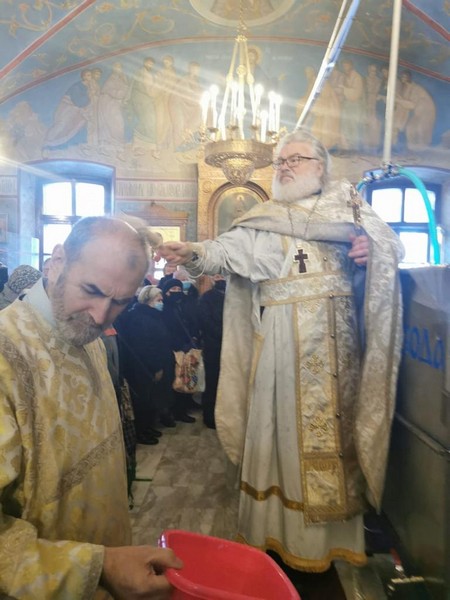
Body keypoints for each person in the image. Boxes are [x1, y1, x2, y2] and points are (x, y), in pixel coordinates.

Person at [160, 129, 404, 573]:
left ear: (320, 166)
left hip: (342, 353)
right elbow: (224, 252)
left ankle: (335, 539)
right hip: (283, 353)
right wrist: (192, 251)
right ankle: (280, 534)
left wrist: (374, 251)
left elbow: (390, 245)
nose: (285, 167)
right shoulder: (265, 217)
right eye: (280, 161)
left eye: (296, 159)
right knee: (283, 436)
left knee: (341, 438)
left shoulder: (349, 206)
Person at [0, 216, 182, 598]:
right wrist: (97, 566)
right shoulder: (6, 357)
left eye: (120, 303)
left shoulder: (86, 335)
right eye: (92, 290)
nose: (100, 316)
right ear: (57, 261)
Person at [116, 285, 176, 443]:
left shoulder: (153, 315)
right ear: (148, 300)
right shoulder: (139, 318)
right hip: (143, 368)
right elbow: (145, 347)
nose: (161, 302)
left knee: (151, 399)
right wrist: (155, 367)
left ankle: (148, 427)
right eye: (158, 299)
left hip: (154, 364)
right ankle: (141, 431)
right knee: (143, 400)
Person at [198, 274, 227, 429]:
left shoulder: (233, 296)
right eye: (218, 276)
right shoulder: (207, 298)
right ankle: (210, 416)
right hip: (213, 346)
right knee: (212, 382)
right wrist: (224, 333)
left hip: (231, 346)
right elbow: (205, 322)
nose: (221, 279)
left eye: (223, 275)